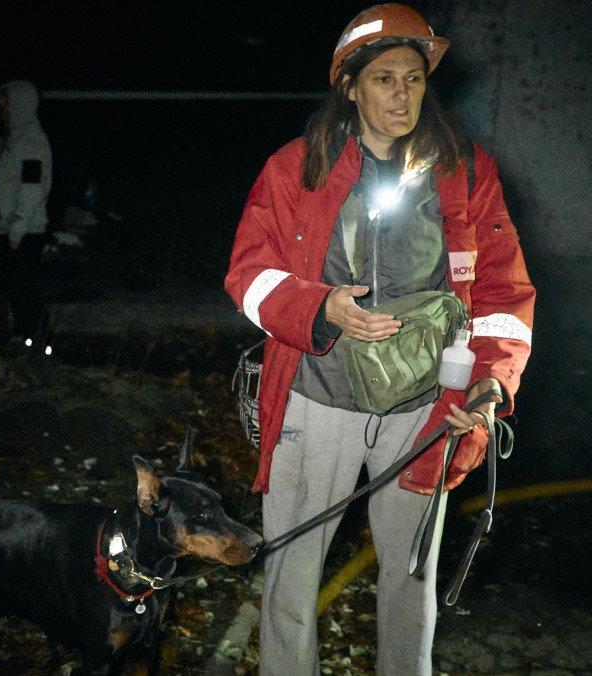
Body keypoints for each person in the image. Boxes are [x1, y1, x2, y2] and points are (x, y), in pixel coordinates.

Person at [224, 5, 535, 674]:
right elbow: (247, 275)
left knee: (412, 580)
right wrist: (322, 306)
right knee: (290, 577)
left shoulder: (467, 173)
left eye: (414, 78)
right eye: (384, 79)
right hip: (318, 400)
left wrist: (491, 383)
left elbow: (504, 297)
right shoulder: (294, 168)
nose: (402, 95)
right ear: (351, 87)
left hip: (425, 411)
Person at [0, 79, 53, 342]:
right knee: (10, 285)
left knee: (23, 287)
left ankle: (36, 341)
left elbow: (32, 188)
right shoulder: (12, 137)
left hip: (24, 231)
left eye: (6, 106)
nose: (1, 112)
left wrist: (17, 229)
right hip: (7, 228)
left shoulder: (32, 142)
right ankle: (23, 336)